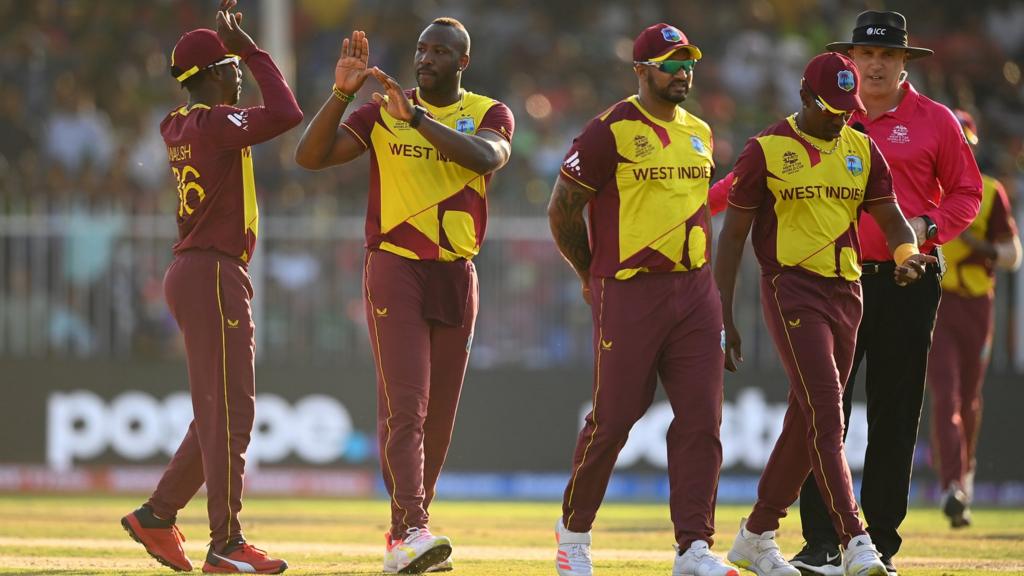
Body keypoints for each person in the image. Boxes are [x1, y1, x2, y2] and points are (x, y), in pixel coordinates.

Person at [294, 18, 513, 574]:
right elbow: (310, 157)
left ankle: (407, 534)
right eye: (421, 49)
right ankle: (411, 528)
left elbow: (485, 158)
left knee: (437, 418)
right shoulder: (381, 111)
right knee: (407, 406)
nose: (425, 59)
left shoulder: (490, 113)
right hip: (395, 266)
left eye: (440, 51)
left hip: (457, 273)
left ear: (463, 62)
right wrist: (343, 93)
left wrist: (414, 119)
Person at [715, 52, 936, 576]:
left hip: (848, 290)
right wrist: (723, 314)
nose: (841, 118)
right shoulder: (766, 149)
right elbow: (733, 239)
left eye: (847, 107)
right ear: (803, 96)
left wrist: (907, 258)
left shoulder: (862, 147)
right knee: (826, 409)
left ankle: (756, 532)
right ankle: (855, 538)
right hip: (791, 289)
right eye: (830, 108)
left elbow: (894, 220)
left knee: (807, 415)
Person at [790, 12, 983, 576]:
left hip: (907, 281)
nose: (874, 65)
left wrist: (927, 229)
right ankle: (822, 542)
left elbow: (967, 192)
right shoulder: (825, 115)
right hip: (832, 280)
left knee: (896, 414)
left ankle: (878, 544)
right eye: (865, 55)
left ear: (905, 63)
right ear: (850, 60)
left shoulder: (936, 120)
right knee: (824, 413)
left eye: (887, 56)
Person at [120, 1, 302, 574]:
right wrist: (251, 45)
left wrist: (233, 53)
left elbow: (241, 111)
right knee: (230, 414)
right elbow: (287, 111)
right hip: (214, 272)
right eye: (231, 66)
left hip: (199, 271)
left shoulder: (181, 122)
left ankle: (157, 515)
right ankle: (226, 542)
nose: (240, 73)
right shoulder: (217, 124)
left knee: (222, 412)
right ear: (210, 75)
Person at [548, 23, 735, 576]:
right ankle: (573, 536)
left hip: (695, 290)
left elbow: (696, 209)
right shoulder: (609, 129)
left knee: (703, 418)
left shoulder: (700, 131)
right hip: (628, 289)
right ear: (641, 70)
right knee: (614, 419)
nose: (683, 73)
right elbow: (562, 211)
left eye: (688, 63)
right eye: (669, 63)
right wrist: (591, 273)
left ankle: (693, 548)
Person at [927, 109, 1021, 528]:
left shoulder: (990, 192)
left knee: (970, 399)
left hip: (977, 304)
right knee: (946, 396)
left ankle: (964, 475)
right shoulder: (926, 189)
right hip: (938, 303)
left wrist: (974, 243)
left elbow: (1012, 257)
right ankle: (952, 486)